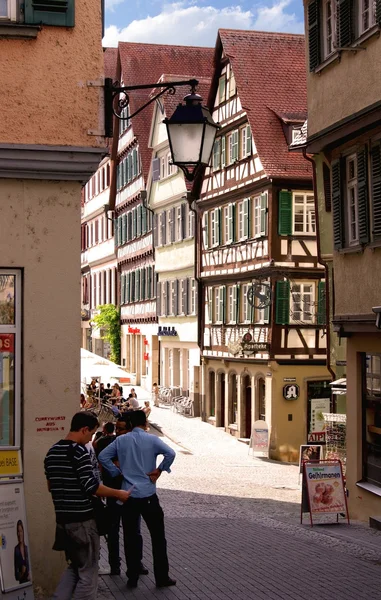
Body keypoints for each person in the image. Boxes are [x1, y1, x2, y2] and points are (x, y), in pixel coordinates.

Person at [44, 411, 132, 600]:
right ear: (84, 429)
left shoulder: (52, 452)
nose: (91, 439)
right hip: (82, 521)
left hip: (63, 521)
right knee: (88, 574)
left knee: (76, 566)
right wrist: (118, 493)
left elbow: (50, 486)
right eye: (91, 433)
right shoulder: (78, 452)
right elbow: (91, 486)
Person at [99, 410, 176, 589]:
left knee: (130, 536)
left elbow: (103, 457)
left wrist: (116, 473)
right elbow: (171, 453)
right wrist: (160, 470)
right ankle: (161, 577)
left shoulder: (121, 440)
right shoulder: (152, 440)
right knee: (158, 537)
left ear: (131, 424)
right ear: (145, 423)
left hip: (129, 495)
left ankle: (132, 576)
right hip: (148, 494)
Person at [95, 415, 147, 577]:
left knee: (134, 532)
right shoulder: (106, 442)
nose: (118, 432)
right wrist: (116, 472)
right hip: (113, 492)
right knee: (113, 531)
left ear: (130, 429)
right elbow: (100, 462)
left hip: (131, 493)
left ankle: (136, 563)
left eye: (121, 429)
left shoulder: (136, 444)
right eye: (116, 428)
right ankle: (115, 565)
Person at [14, 520, 30, 584]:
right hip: (22, 584)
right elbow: (16, 576)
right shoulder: (16, 550)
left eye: (21, 531)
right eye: (18, 531)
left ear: (23, 532)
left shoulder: (26, 548)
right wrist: (22, 573)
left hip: (30, 582)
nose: (19, 534)